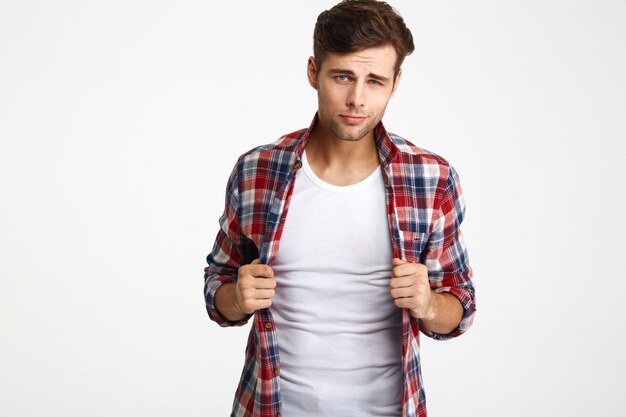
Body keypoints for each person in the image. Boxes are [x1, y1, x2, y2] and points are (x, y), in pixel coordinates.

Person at [203, 1, 476, 416]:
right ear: (313, 72)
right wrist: (236, 299)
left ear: (396, 83)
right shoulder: (256, 171)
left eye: (375, 81)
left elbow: (460, 307)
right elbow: (218, 286)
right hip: (271, 407)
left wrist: (428, 304)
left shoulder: (431, 178)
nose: (356, 100)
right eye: (342, 76)